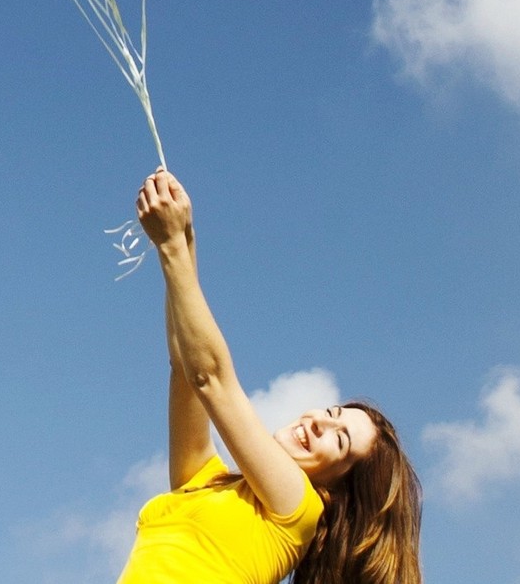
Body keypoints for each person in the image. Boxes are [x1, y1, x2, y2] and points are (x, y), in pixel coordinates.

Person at [117, 170, 422, 584]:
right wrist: (184, 242)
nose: (320, 421)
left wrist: (170, 245)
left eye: (339, 438)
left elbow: (211, 378)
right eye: (333, 412)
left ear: (336, 491)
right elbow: (187, 370)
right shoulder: (205, 481)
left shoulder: (298, 510)